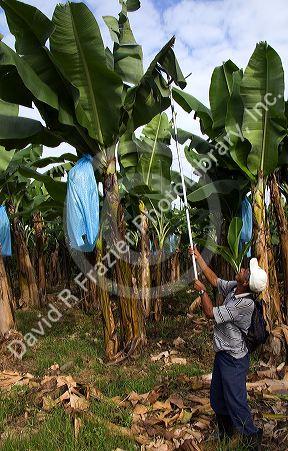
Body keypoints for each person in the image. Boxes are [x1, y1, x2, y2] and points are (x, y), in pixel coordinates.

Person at [188, 246, 268, 450]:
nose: (242, 269)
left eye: (245, 271)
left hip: (235, 359)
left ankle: (251, 439)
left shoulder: (245, 305)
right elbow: (216, 281)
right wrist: (199, 258)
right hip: (223, 353)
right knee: (217, 397)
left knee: (236, 401)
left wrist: (203, 291)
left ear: (246, 282)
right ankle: (225, 434)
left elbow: (209, 313)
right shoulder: (235, 288)